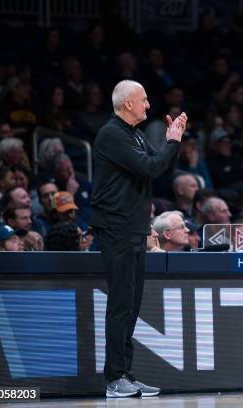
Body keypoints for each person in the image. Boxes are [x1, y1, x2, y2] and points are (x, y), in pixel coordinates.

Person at [90, 80, 187, 398]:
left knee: (131, 305)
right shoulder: (112, 134)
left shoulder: (134, 134)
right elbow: (149, 167)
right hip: (116, 227)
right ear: (128, 103)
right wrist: (171, 142)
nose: (149, 105)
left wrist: (174, 143)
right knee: (120, 304)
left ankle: (125, 374)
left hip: (133, 228)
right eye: (144, 100)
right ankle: (114, 378)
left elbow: (160, 169)